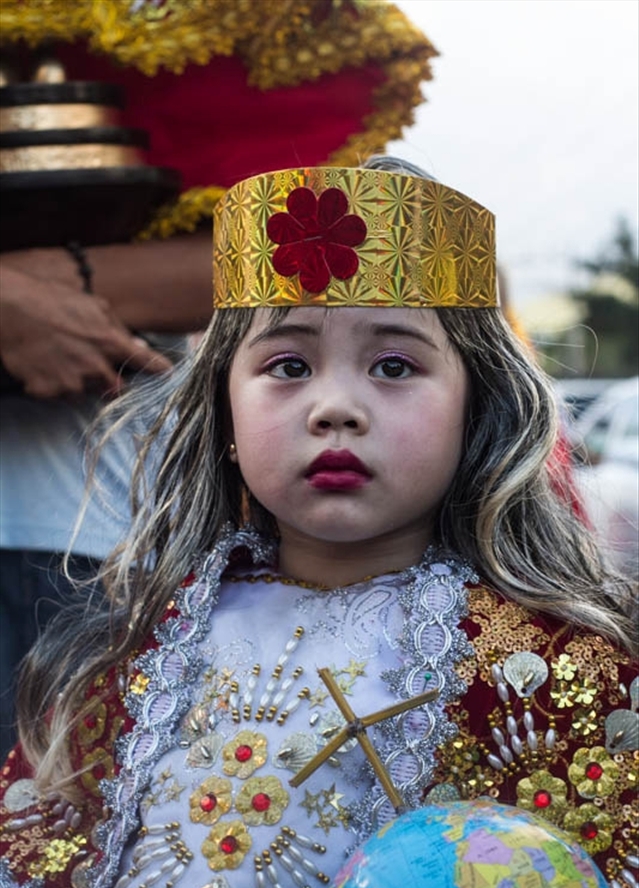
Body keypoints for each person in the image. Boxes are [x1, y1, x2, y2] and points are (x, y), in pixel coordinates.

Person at [0, 158, 636, 888]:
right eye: (288, 366)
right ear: (224, 408)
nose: (334, 407)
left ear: (473, 408)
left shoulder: (551, 671)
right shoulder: (135, 657)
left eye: (394, 366)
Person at [0, 0, 437, 760]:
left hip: (103, 545)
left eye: (394, 370)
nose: (336, 409)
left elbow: (318, 240)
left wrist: (52, 284)